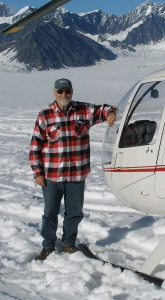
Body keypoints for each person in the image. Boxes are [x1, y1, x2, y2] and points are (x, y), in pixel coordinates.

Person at [29, 78, 116, 260]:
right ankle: (48, 246)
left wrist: (109, 114)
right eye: (60, 91)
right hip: (52, 175)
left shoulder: (83, 110)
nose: (64, 95)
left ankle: (69, 243)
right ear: (54, 93)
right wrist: (37, 173)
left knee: (74, 213)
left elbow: (106, 108)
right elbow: (35, 145)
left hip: (77, 174)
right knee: (50, 213)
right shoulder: (45, 115)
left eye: (67, 91)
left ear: (72, 92)